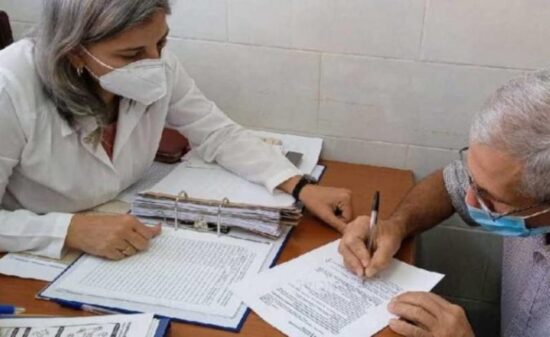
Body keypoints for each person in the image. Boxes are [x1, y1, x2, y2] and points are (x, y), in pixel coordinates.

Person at [0, 0, 352, 261]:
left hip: (127, 224)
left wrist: (300, 186)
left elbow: (216, 132)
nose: (155, 63)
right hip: (35, 254)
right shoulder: (10, 86)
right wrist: (68, 230)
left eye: (162, 43)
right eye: (132, 54)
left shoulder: (157, 64)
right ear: (75, 52)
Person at [339, 70, 550, 337]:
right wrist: (396, 225)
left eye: (489, 198)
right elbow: (448, 186)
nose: (467, 197)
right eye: (472, 178)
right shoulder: (516, 172)